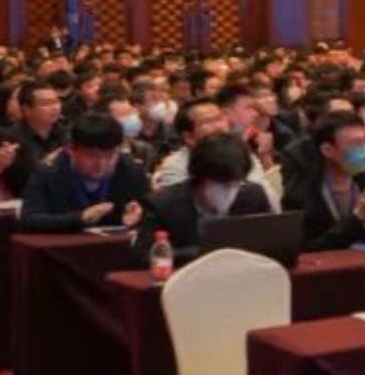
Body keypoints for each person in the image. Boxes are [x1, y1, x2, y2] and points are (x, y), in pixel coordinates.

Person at [131, 132, 274, 266]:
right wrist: (205, 252)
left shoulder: (252, 195)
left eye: (236, 183)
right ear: (199, 178)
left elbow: (271, 243)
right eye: (222, 184)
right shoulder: (162, 204)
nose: (231, 192)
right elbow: (143, 256)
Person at [18, 112, 151, 233]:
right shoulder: (49, 173)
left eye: (109, 156)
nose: (101, 164)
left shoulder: (132, 171)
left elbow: (153, 212)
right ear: (71, 149)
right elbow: (29, 221)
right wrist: (80, 218)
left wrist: (140, 215)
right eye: (91, 156)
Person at [281, 110, 365, 252]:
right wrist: (357, 220)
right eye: (355, 144)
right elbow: (306, 249)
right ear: (328, 150)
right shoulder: (302, 193)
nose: (364, 150)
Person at [152, 96, 271, 193]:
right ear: (189, 137)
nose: (219, 126)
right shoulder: (175, 166)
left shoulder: (244, 155)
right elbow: (183, 209)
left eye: (219, 118)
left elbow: (269, 202)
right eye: (208, 121)